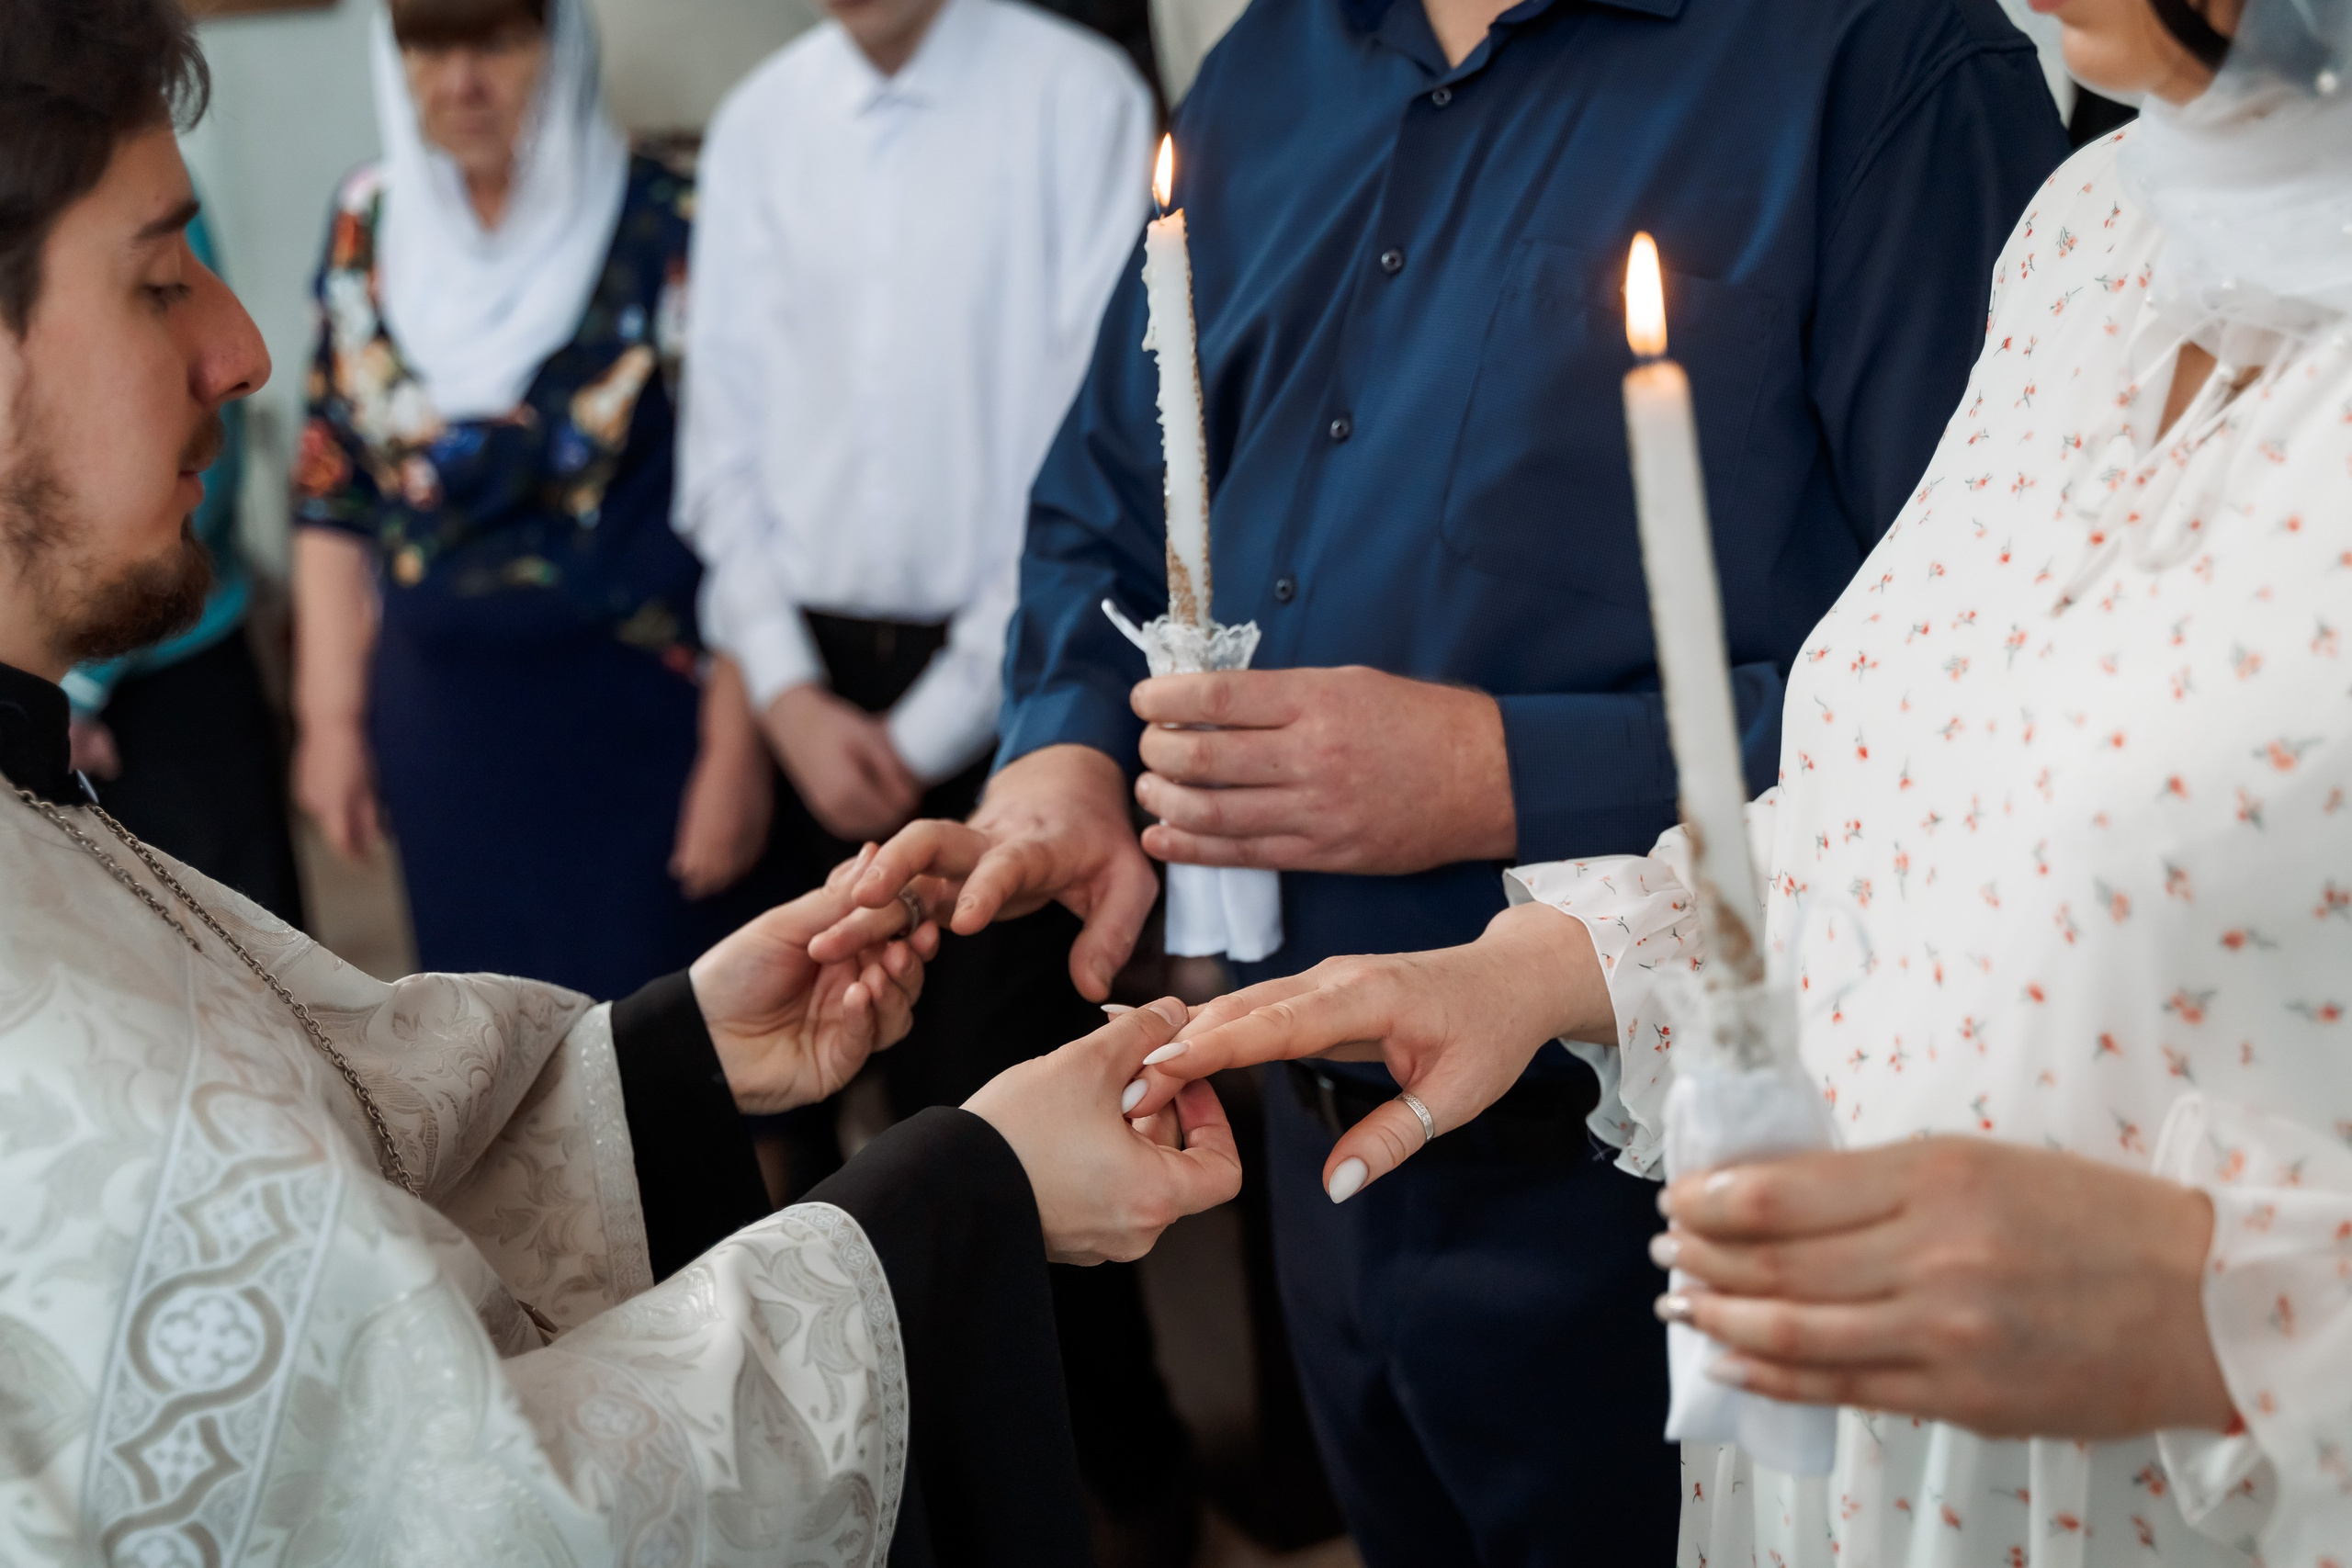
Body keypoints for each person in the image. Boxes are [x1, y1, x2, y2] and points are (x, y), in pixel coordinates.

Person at [821, 0, 2071, 1555]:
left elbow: (2006, 687)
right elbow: (1109, 492)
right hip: (1301, 1138)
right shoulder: (1274, 64)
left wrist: (1503, 774)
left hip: (1661, 1160)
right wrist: (1066, 753)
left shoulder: (1883, 63)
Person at [0, 7, 1242, 1562]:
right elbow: (472, 1500)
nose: (242, 350)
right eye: (161, 272)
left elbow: (345, 1184)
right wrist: (968, 1190)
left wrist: (668, 1063)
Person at [1122, 0, 2352, 1560]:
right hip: (1842, 1471)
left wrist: (2231, 1319)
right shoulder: (2096, 229)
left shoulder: (1884, 69)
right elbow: (1905, 782)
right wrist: (1559, 959)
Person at [673, 1, 1192, 1551]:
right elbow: (726, 445)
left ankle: (1122, 1506)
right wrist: (780, 686)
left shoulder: (1073, 95)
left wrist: (957, 709)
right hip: (807, 679)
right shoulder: (763, 123)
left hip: (1023, 695)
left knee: (1015, 1142)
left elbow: (1095, 444)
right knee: (822, 1146)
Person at [290, 0, 777, 998]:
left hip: (644, 726)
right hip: (449, 737)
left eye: (495, 41)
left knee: (702, 1070)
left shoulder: (671, 213)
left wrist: (741, 747)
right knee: (500, 1064)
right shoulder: (366, 224)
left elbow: (754, 500)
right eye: (426, 43)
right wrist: (330, 720)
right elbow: (333, 494)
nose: (459, 80)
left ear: (558, 44)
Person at [61, 198, 308, 930]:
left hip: (163, 670)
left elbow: (202, 454)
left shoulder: (122, 162)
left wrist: (75, 676)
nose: (247, 360)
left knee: (249, 993)